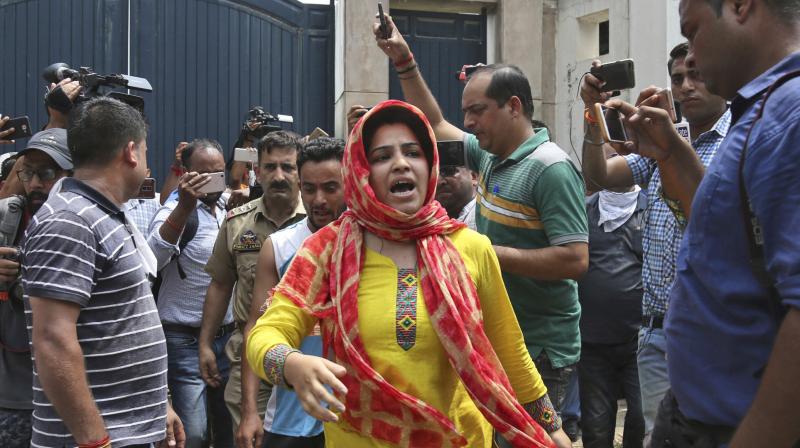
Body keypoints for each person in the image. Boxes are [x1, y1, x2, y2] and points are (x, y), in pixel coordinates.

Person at [246, 100, 571, 448]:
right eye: (382, 156)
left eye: (412, 152)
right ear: (362, 171)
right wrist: (292, 364)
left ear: (429, 163)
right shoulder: (327, 249)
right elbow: (264, 334)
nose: (400, 163)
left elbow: (511, 351)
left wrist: (552, 429)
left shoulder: (471, 247)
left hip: (460, 439)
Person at [596, 1, 800, 446]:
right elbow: (726, 230)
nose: (689, 59)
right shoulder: (764, 112)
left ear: (741, 6)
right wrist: (671, 154)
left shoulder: (790, 117)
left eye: (692, 33)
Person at [372, 16, 589, 418]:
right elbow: (435, 123)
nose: (468, 122)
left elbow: (575, 260)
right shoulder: (490, 154)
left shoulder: (551, 168)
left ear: (514, 107)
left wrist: (484, 254)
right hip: (497, 338)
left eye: (477, 111)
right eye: (466, 112)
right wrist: (404, 62)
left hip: (539, 350)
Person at [579, 40, 730, 438]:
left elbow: (722, 223)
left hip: (714, 330)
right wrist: (593, 115)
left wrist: (669, 149)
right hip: (655, 333)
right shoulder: (659, 143)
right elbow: (598, 177)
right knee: (655, 436)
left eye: (696, 75)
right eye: (677, 78)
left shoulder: (737, 142)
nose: (685, 87)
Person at [21, 97, 184, 447]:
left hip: (127, 430)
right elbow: (52, 341)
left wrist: (159, 407)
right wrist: (94, 440)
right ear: (131, 152)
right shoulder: (69, 222)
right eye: (145, 148)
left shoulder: (107, 215)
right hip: (95, 439)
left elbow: (123, 320)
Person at [238, 136, 346, 448]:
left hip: (355, 416)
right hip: (291, 417)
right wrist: (249, 411)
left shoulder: (375, 245)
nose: (319, 200)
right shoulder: (280, 246)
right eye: (309, 189)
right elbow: (257, 328)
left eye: (330, 187)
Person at [199, 131, 306, 432]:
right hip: (250, 360)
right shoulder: (237, 223)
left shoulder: (321, 222)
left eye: (288, 167)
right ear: (256, 171)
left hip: (308, 352)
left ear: (301, 171)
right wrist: (206, 343)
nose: (279, 176)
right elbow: (220, 285)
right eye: (270, 167)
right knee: (248, 436)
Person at [147, 139, 234, 448]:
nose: (212, 181)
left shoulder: (228, 208)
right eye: (203, 174)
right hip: (182, 339)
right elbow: (152, 258)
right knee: (192, 433)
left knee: (229, 430)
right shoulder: (174, 209)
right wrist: (184, 208)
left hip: (225, 338)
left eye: (219, 173)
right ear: (185, 173)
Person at [0, 129, 72, 447]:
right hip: (12, 389)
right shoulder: (6, 217)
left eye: (46, 174)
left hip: (71, 390)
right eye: (28, 173)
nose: (35, 184)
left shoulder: (89, 222)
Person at [577, 149, 647, 448]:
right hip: (593, 342)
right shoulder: (583, 211)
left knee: (642, 420)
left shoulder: (651, 207)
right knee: (595, 427)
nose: (613, 164)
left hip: (641, 339)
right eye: (605, 157)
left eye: (620, 157)